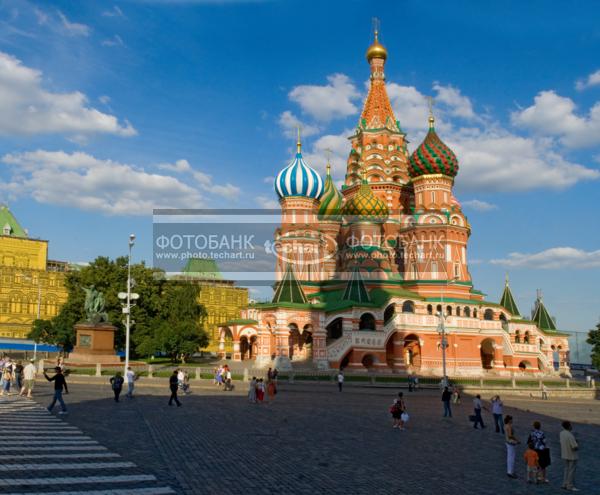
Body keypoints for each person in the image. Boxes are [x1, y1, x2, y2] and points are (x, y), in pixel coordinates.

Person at [559, 420, 579, 492]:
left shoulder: (561, 433)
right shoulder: (570, 435)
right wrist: (577, 444)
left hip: (564, 454)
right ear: (569, 426)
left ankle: (564, 484)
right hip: (572, 456)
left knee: (566, 470)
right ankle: (570, 486)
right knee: (571, 471)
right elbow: (574, 447)